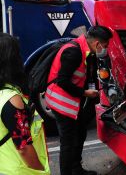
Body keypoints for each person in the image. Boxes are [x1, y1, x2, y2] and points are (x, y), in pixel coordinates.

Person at [0, 33, 50, 174]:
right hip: (16, 170)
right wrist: (40, 170)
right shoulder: (12, 99)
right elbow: (23, 147)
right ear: (12, 60)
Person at [45, 26, 113, 175]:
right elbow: (62, 81)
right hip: (61, 103)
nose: (105, 49)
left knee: (80, 133)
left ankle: (76, 170)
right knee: (68, 142)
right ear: (97, 44)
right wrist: (85, 93)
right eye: (105, 46)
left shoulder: (85, 49)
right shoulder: (74, 51)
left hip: (72, 101)